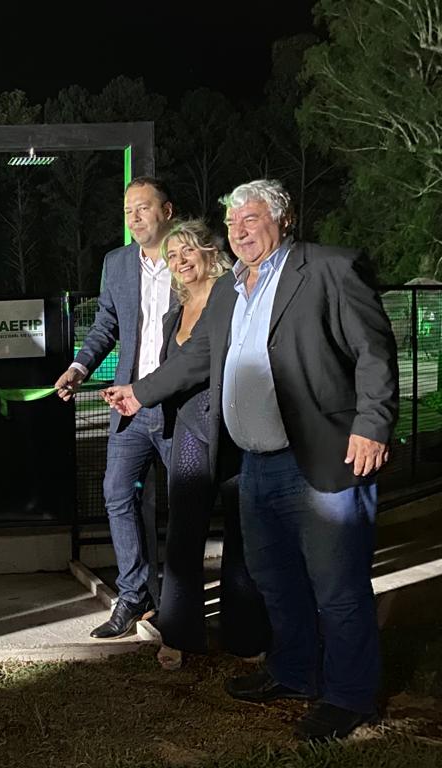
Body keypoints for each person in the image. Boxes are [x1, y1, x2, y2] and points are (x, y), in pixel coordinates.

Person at [104, 179, 398, 741]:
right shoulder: (231, 289)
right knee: (274, 579)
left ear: (284, 220)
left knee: (337, 585)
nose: (239, 231)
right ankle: (294, 672)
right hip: (256, 462)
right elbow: (196, 357)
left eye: (252, 219)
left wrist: (371, 425)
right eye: (233, 222)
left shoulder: (329, 268)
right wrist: (140, 393)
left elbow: (374, 350)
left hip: (323, 455)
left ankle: (349, 696)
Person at [53, 176, 176, 639]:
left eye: (143, 208)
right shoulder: (117, 263)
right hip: (130, 407)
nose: (134, 218)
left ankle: (176, 602)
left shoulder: (190, 258)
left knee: (186, 504)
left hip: (180, 407)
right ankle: (134, 594)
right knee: (117, 494)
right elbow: (106, 324)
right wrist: (79, 368)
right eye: (128, 212)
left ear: (167, 211)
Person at [147, 219, 269, 671]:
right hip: (190, 430)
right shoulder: (173, 313)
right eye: (172, 256)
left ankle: (245, 635)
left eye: (187, 251)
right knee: (183, 535)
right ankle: (180, 633)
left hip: (233, 429)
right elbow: (175, 372)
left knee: (242, 535)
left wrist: (139, 393)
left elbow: (205, 362)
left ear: (209, 252)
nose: (180, 262)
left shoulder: (230, 296)